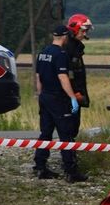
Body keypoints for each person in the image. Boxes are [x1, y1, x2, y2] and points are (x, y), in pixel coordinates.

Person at [32, 24, 87, 182]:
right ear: (65, 37)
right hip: (58, 98)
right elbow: (63, 78)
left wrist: (40, 94)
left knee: (46, 133)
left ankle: (40, 166)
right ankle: (71, 171)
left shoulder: (43, 52)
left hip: (45, 97)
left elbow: (38, 78)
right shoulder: (60, 54)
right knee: (66, 134)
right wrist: (71, 97)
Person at [64, 13, 92, 142]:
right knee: (69, 128)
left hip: (75, 94)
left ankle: (70, 156)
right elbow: (68, 74)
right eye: (84, 30)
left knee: (74, 127)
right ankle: (68, 159)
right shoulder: (69, 48)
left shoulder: (76, 47)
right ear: (75, 29)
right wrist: (74, 93)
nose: (85, 34)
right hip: (70, 95)